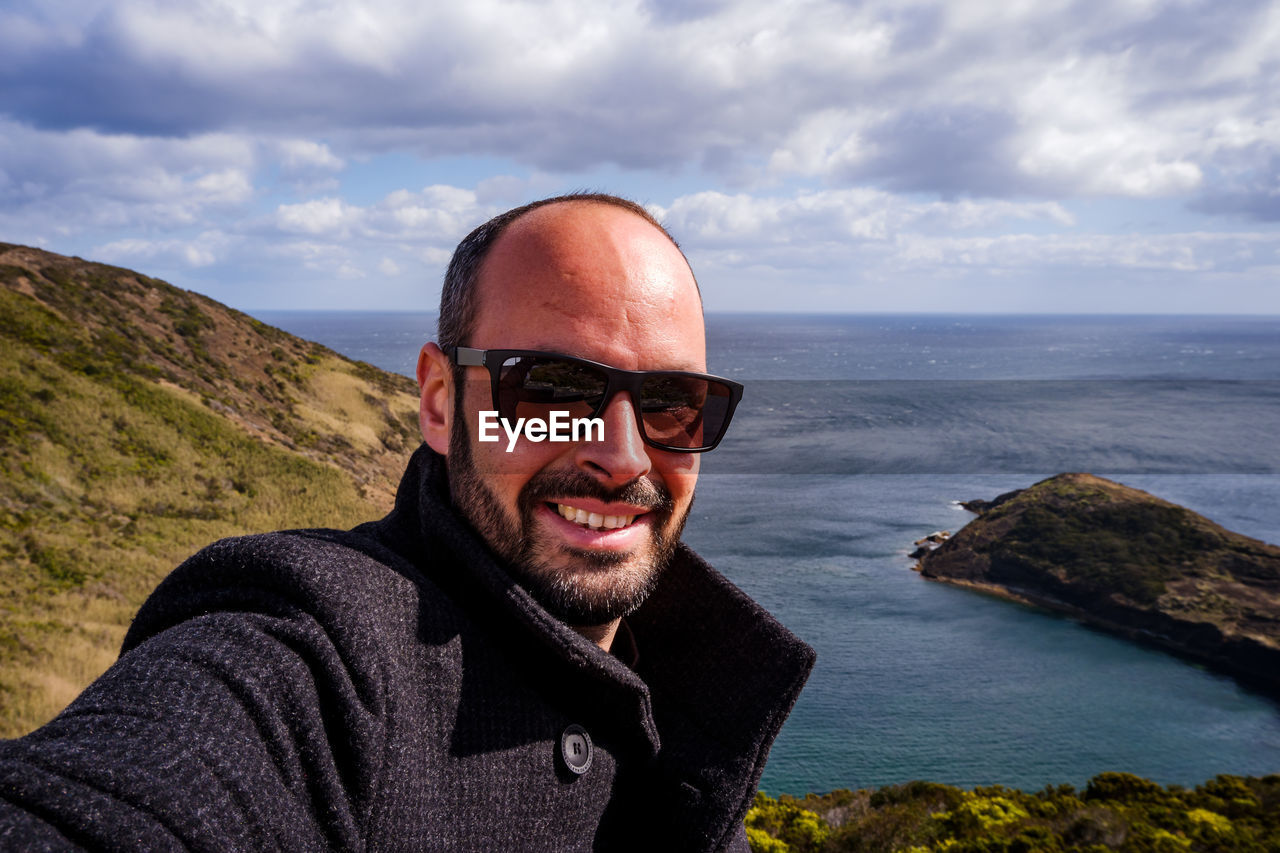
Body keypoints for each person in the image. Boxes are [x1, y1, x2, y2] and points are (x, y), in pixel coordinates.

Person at [0, 194, 815, 851]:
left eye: (674, 402)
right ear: (437, 400)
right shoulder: (310, 652)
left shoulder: (678, 707)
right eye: (553, 389)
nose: (623, 456)